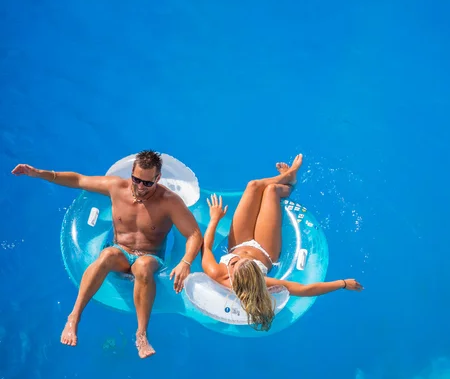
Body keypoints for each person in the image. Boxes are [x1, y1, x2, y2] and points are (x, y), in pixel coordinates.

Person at [11, 150, 203, 358]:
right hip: (121, 252)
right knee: (107, 255)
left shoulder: (169, 202)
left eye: (147, 183)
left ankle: (141, 334)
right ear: (131, 172)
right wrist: (39, 173)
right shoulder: (116, 188)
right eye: (136, 180)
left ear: (158, 178)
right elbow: (79, 180)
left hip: (150, 257)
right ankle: (74, 317)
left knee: (143, 266)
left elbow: (193, 233)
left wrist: (185, 261)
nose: (140, 187)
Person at [201, 154, 363, 331]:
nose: (237, 259)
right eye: (236, 262)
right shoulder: (263, 281)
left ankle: (289, 176)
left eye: (236, 261)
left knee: (253, 185)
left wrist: (214, 219)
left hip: (237, 243)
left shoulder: (215, 271)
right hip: (265, 248)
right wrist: (343, 283)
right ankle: (291, 183)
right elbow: (304, 289)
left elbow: (206, 246)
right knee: (271, 191)